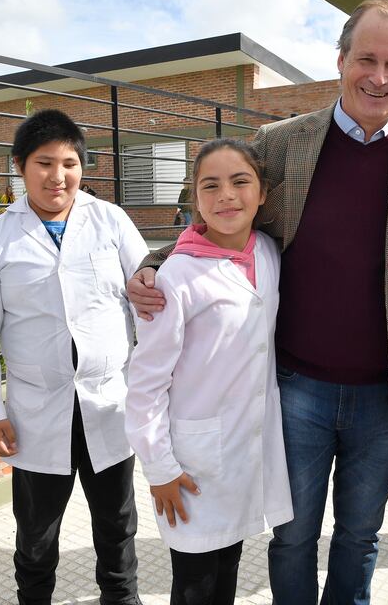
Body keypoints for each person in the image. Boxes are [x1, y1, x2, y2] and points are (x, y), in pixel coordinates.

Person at [129, 0, 388, 604]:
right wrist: (155, 266)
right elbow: (222, 217)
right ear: (340, 60)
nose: (380, 76)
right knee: (291, 537)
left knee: (360, 539)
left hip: (384, 398)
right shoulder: (279, 143)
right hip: (295, 390)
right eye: (367, 58)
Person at [0, 109, 147, 605]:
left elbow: (147, 300)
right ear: (20, 166)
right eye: (44, 163)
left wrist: (153, 390)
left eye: (69, 163)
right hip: (36, 411)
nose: (58, 175)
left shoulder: (110, 220)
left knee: (118, 525)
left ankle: (121, 598)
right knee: (36, 535)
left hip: (109, 402)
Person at [125, 138, 292, 604]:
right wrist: (158, 467)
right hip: (191, 466)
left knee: (228, 571)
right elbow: (145, 385)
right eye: (210, 186)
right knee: (195, 585)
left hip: (243, 452)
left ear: (263, 194)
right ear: (194, 198)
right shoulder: (176, 276)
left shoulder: (268, 253)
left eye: (241, 182)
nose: (227, 196)